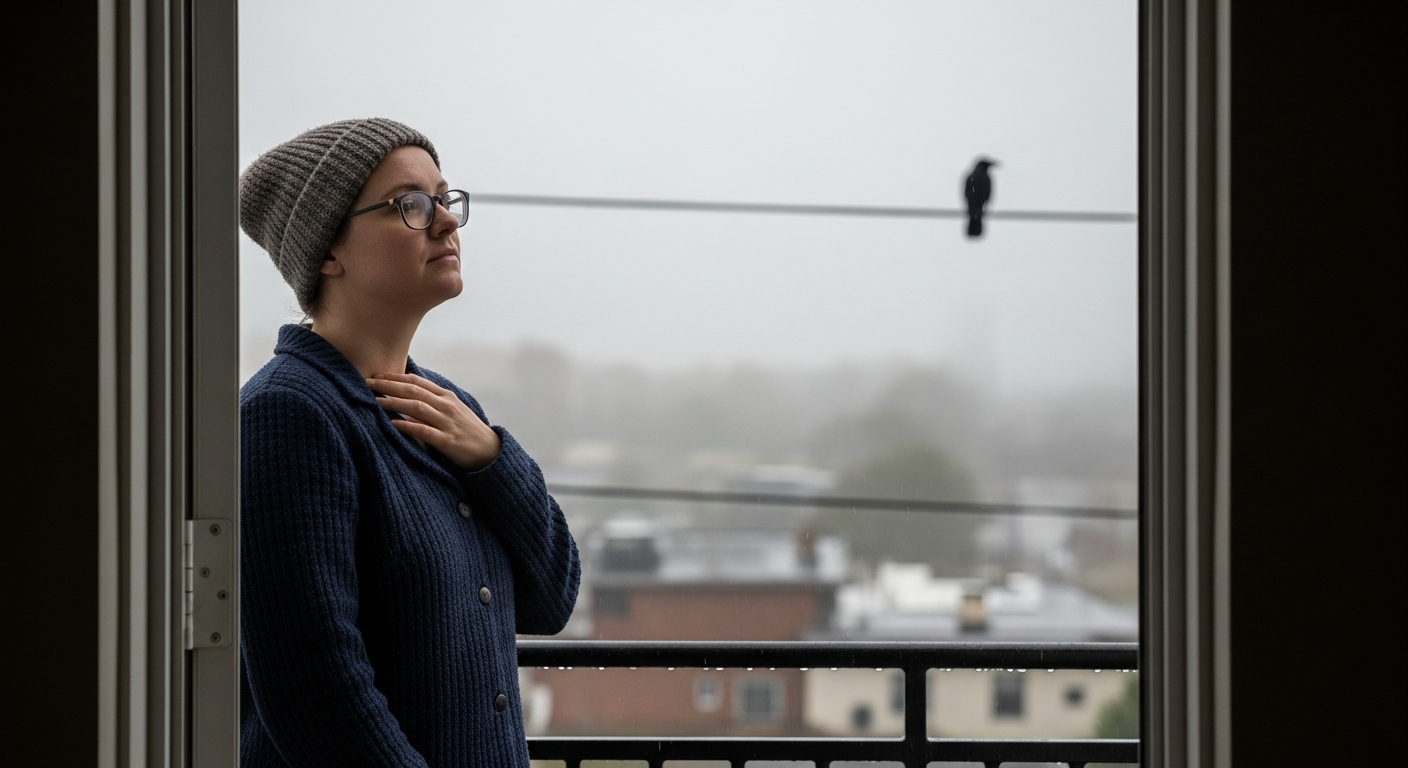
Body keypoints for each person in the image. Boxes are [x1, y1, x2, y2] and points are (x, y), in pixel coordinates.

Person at [237, 118, 580, 767]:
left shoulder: (450, 411)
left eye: (445, 201)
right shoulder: (289, 414)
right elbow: (317, 693)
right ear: (328, 252)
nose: (447, 223)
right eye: (411, 206)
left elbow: (551, 598)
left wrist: (493, 459)